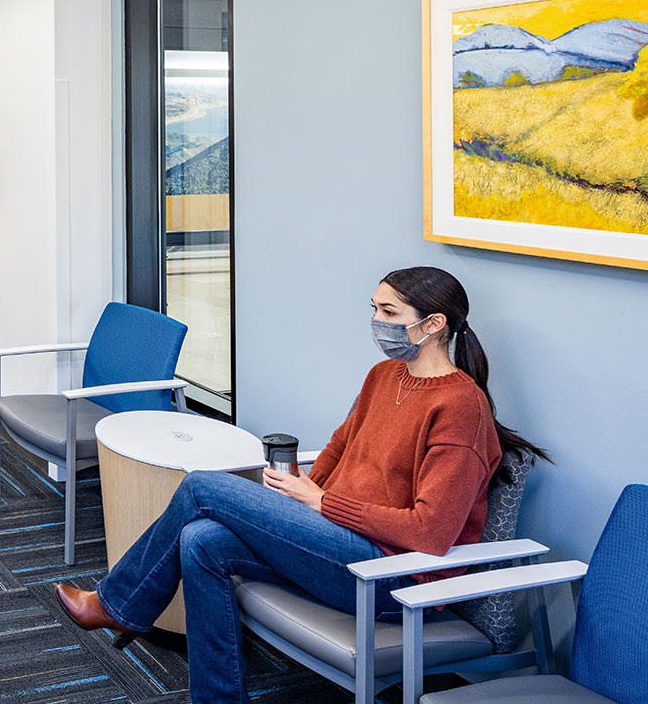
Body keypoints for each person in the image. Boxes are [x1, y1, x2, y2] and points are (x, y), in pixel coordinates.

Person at [53, 266, 548, 704]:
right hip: (337, 544)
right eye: (374, 308)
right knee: (200, 539)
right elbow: (339, 447)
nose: (376, 321)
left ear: (433, 324)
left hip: (392, 578)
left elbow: (430, 532)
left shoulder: (460, 407)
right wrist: (300, 494)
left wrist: (322, 501)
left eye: (389, 311)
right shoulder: (384, 375)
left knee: (204, 486)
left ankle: (118, 605)